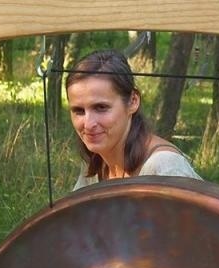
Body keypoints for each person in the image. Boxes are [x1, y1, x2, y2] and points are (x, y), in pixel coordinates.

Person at [66, 49, 201, 188]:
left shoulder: (165, 167)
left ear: (133, 101)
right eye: (79, 111)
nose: (88, 124)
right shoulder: (96, 159)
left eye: (101, 108)